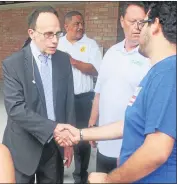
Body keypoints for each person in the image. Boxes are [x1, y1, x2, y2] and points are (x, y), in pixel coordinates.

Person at [55, 1, 177, 183]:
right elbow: (132, 123)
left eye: (143, 23)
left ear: (156, 25)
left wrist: (109, 180)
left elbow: (157, 150)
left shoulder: (168, 74)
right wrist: (81, 133)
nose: (138, 29)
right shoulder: (158, 71)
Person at [2, 6, 75, 183]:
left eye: (58, 34)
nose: (55, 40)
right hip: (22, 147)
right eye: (48, 34)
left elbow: (68, 102)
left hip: (54, 147)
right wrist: (53, 128)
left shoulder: (63, 59)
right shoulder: (13, 64)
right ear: (32, 33)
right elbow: (16, 109)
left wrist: (69, 140)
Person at [88, 2, 150, 172]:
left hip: (132, 145)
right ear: (122, 21)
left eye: (142, 22)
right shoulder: (111, 53)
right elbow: (99, 91)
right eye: (132, 21)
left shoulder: (149, 57)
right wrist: (93, 124)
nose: (137, 27)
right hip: (105, 141)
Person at [57, 11, 102, 183]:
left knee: (82, 138)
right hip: (61, 100)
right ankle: (57, 171)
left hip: (84, 99)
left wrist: (74, 62)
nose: (80, 27)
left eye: (82, 23)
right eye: (76, 24)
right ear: (66, 26)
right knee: (61, 135)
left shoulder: (90, 44)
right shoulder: (58, 44)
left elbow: (97, 70)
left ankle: (80, 177)